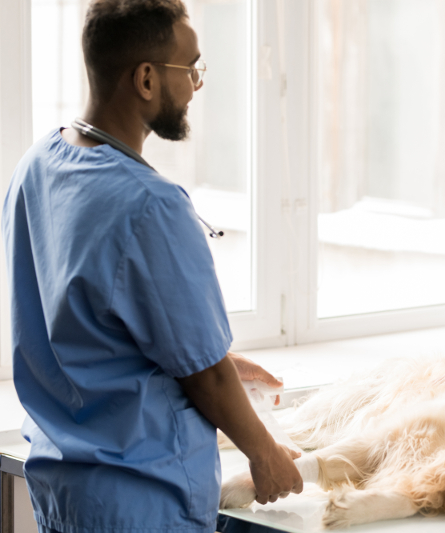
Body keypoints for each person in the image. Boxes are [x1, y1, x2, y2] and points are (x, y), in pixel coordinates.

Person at [2, 1, 302, 532]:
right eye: (191, 69)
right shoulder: (150, 203)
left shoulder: (37, 164)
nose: (196, 85)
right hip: (139, 499)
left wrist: (224, 358)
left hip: (66, 488)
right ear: (145, 79)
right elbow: (205, 377)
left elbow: (88, 321)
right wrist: (265, 454)